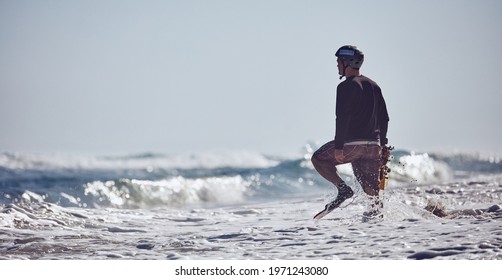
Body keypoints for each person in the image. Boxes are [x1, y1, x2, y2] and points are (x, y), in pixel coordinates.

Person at [311, 45, 390, 219]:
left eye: (339, 61)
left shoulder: (345, 87)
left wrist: (339, 146)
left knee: (318, 159)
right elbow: (384, 118)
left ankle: (343, 189)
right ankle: (378, 222)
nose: (337, 65)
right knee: (372, 193)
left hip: (352, 144)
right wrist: (383, 146)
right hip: (373, 146)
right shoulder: (374, 85)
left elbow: (342, 117)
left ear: (347, 62)